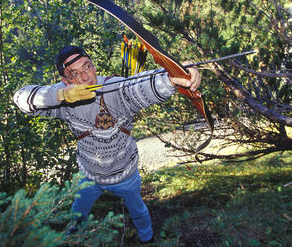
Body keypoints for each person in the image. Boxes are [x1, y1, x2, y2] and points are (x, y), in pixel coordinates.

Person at [13, 45, 201, 243]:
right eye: (75, 73)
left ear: (94, 66)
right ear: (65, 81)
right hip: (89, 176)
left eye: (87, 67)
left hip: (125, 174)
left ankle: (147, 238)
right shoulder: (62, 100)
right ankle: (72, 241)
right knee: (76, 217)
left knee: (138, 211)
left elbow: (140, 86)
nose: (86, 77)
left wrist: (173, 76)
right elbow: (20, 98)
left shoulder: (115, 88)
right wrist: (60, 95)